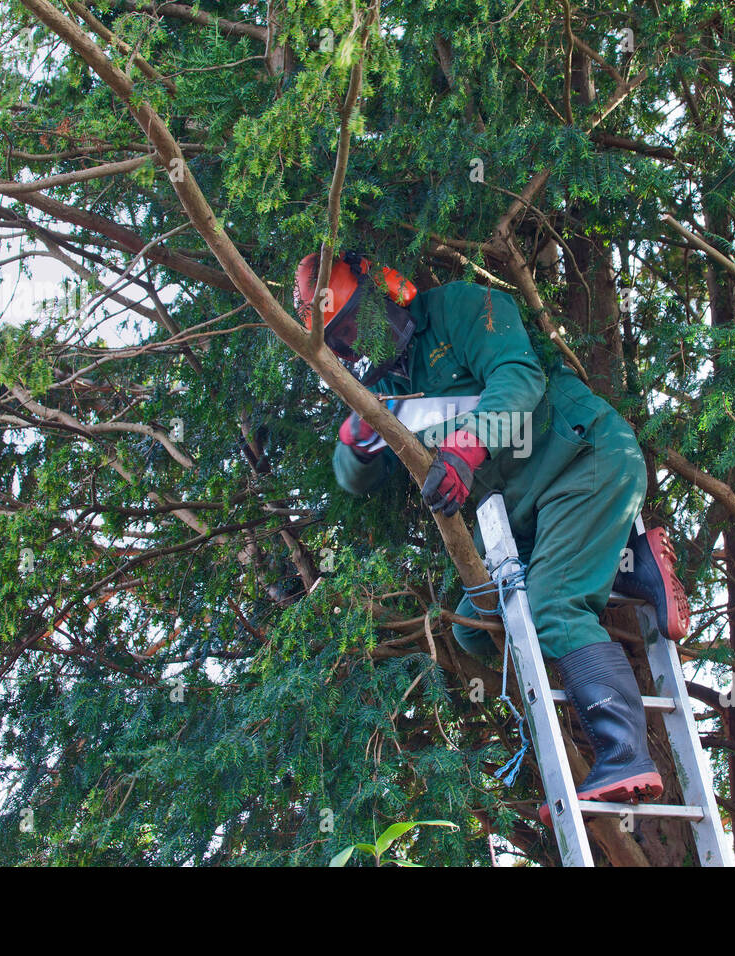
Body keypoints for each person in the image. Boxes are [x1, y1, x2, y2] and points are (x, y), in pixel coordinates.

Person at [294, 250, 691, 810]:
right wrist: (354, 442)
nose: (358, 340)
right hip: (526, 516)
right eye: (344, 337)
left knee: (553, 605)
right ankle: (634, 566)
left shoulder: (463, 308)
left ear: (385, 289)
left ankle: (627, 754)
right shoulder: (387, 392)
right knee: (475, 630)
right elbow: (352, 479)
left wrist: (465, 449)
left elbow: (520, 380)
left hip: (583, 457)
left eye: (357, 320)